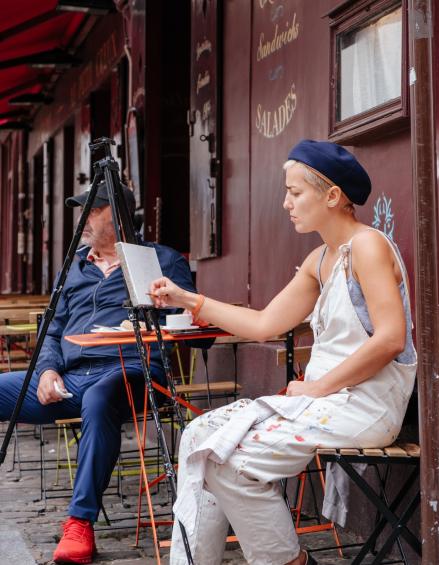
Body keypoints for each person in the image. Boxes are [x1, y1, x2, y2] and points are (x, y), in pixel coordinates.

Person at [149, 140, 417, 565]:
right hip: (327, 401)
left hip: (365, 405)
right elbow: (264, 324)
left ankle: (290, 562)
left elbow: (390, 339)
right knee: (199, 437)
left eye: (296, 192)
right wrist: (189, 300)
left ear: (331, 196)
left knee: (227, 463)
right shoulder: (321, 258)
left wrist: (317, 387)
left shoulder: (368, 247)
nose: (286, 202)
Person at [0, 181, 198, 564]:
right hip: (71, 378)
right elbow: (52, 329)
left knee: (100, 397)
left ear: (119, 215)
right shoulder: (74, 266)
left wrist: (167, 308)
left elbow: (190, 325)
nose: (84, 219)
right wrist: (46, 371)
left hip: (135, 374)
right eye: (84, 210)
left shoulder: (161, 260)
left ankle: (80, 523)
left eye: (93, 209)